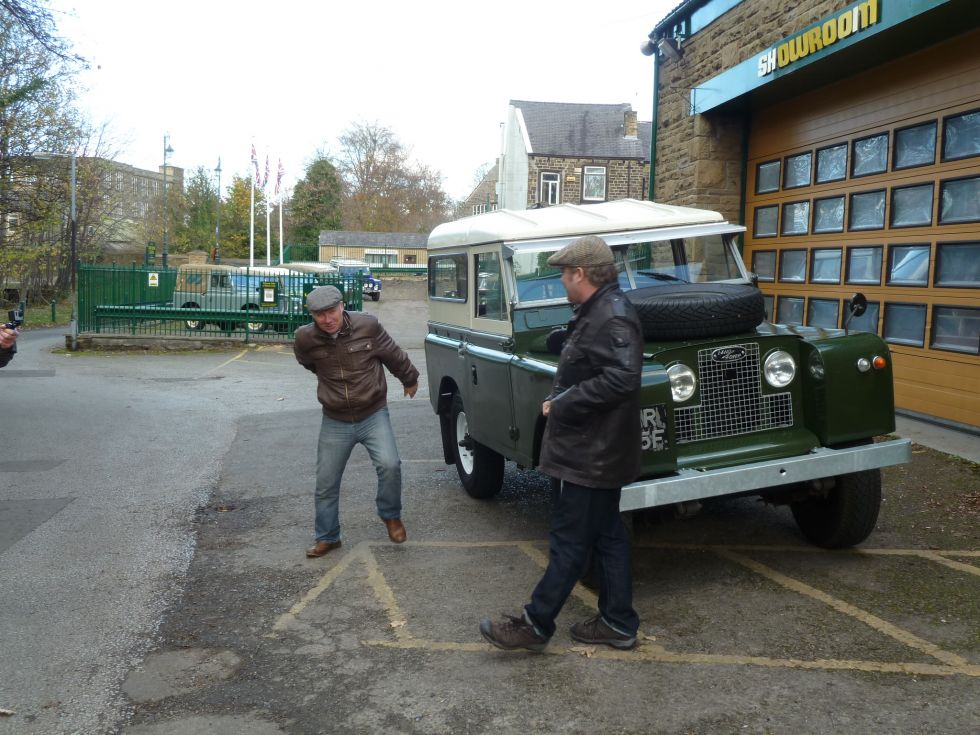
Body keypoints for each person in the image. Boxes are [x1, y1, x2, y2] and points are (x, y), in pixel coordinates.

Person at [480, 235, 643, 652]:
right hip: (596, 449)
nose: (561, 283)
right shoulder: (598, 310)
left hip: (592, 452)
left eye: (563, 275)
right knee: (608, 536)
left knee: (570, 540)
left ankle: (535, 626)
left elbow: (622, 378)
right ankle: (618, 622)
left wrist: (563, 403)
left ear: (580, 274)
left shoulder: (611, 314)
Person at [294, 285, 420, 558]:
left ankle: (390, 515)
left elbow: (392, 354)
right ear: (312, 316)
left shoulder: (368, 326)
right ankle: (328, 536)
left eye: (331, 311)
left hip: (373, 413)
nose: (327, 319)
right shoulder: (305, 339)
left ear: (342, 306)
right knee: (325, 482)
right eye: (319, 315)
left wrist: (409, 378)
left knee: (390, 464)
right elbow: (308, 363)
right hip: (335, 420)